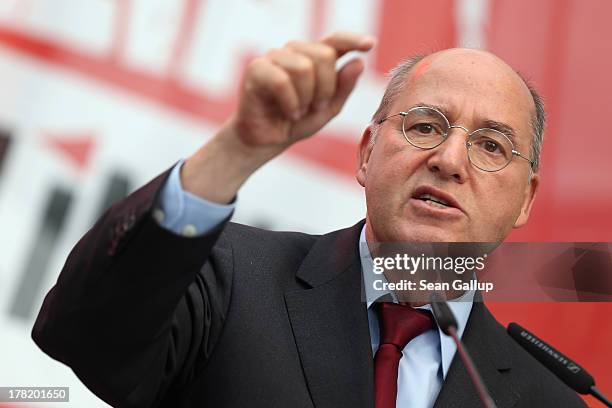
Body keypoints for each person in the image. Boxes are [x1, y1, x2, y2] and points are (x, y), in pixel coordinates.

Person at [32, 32, 586, 407]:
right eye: (424, 126)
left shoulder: (548, 397)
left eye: (491, 145)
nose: (448, 160)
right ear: (367, 153)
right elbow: (83, 334)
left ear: (524, 201)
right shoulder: (229, 278)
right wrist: (236, 150)